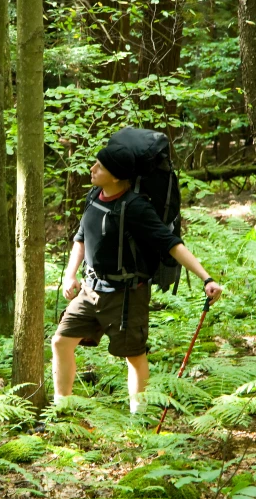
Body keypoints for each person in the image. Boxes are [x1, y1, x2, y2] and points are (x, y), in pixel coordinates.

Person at [51, 143, 223, 414]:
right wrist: (70, 274)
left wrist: (206, 278)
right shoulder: (94, 196)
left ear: (117, 176)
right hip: (89, 290)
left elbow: (171, 243)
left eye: (100, 167)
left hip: (126, 296)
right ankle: (60, 411)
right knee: (61, 341)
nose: (92, 169)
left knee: (134, 355)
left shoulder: (136, 207)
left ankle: (138, 419)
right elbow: (81, 238)